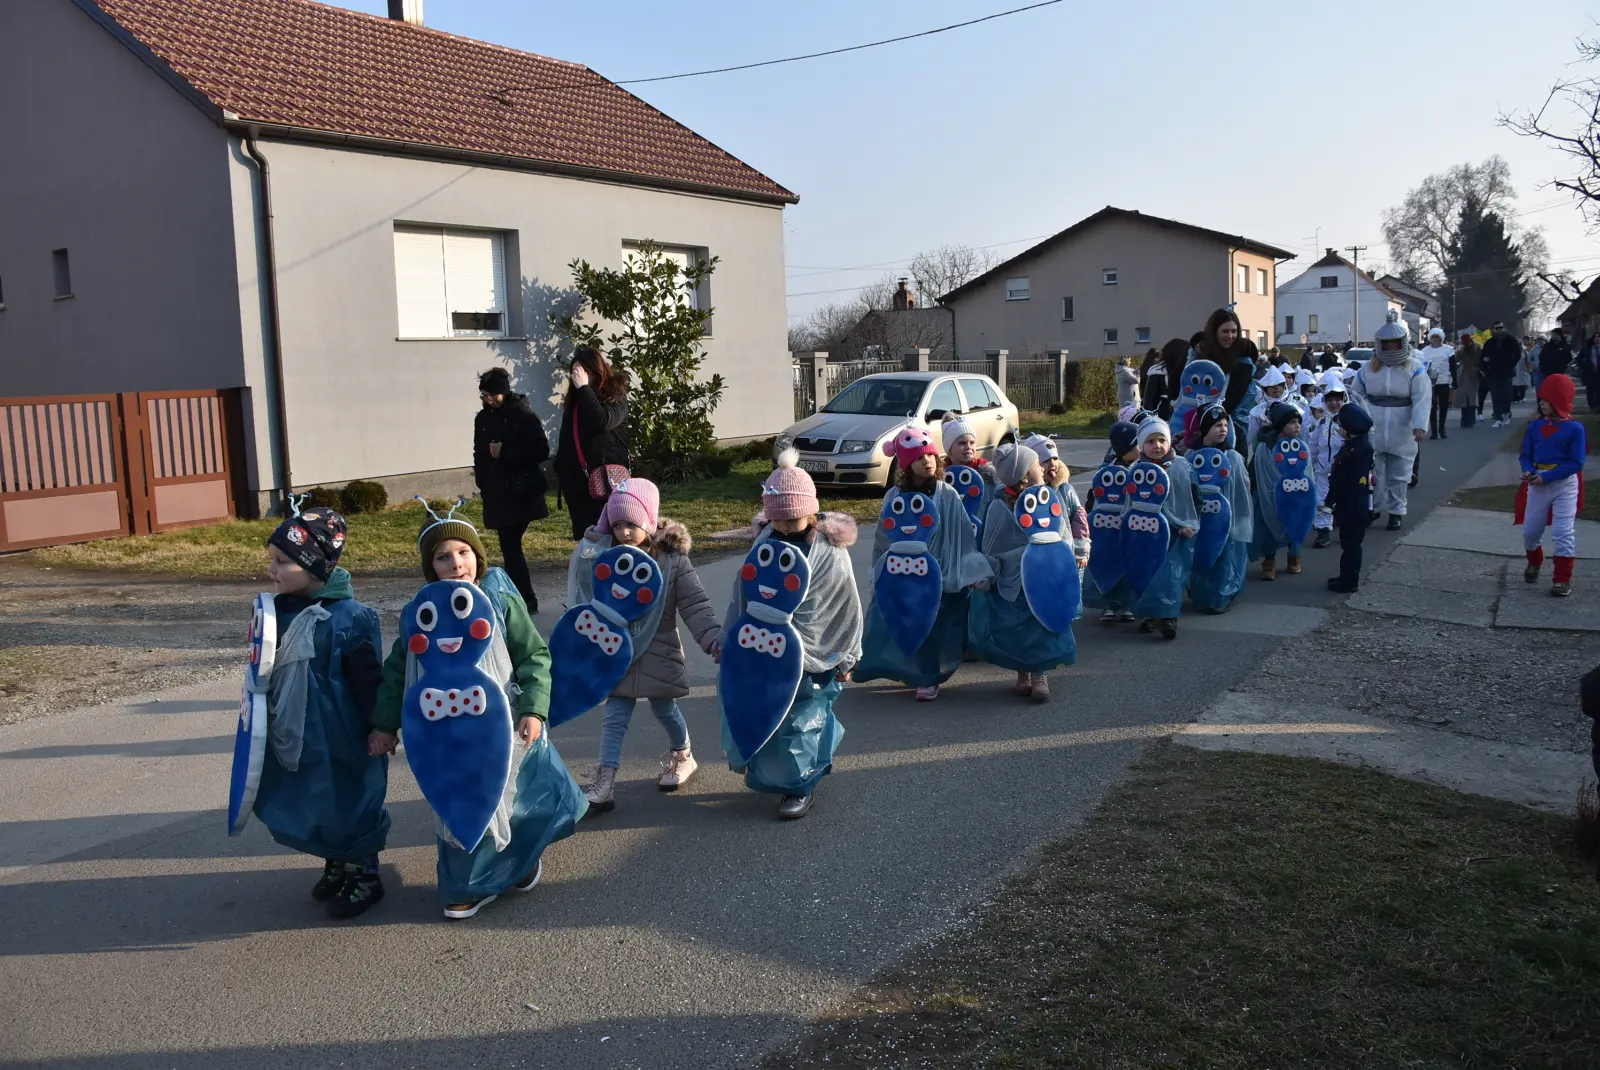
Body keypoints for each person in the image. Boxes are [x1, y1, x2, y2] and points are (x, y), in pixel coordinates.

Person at [371, 507, 585, 919]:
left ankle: (515, 861)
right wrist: (384, 725)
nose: (456, 564)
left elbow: (533, 656)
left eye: (464, 552)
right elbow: (397, 672)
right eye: (443, 556)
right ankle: (464, 885)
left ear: (478, 556)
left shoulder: (499, 598)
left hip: (503, 718)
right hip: (445, 731)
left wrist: (534, 709)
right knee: (463, 799)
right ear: (429, 567)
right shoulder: (421, 613)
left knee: (518, 795)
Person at [254, 504, 389, 919]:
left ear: (314, 566)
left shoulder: (351, 618)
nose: (272, 570)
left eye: (282, 561)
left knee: (352, 797)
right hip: (303, 730)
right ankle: (336, 859)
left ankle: (364, 871)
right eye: (272, 560)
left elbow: (369, 683)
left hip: (344, 731)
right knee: (317, 797)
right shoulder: (281, 612)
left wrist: (380, 728)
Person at [568, 478, 722, 811]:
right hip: (616, 652)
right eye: (617, 523)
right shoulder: (603, 559)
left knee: (663, 707)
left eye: (632, 524)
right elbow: (584, 595)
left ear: (649, 523)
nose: (624, 532)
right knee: (615, 713)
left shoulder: (672, 561)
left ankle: (683, 754)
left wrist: (713, 641)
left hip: (658, 647)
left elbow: (695, 606)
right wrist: (595, 537)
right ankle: (605, 779)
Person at [722, 461, 862, 819]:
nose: (783, 526)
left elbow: (844, 604)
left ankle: (801, 785)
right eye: (777, 519)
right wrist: (731, 638)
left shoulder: (829, 553)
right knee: (770, 715)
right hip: (766, 651)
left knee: (802, 719)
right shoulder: (765, 542)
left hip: (813, 653)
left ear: (810, 514)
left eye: (792, 520)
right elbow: (744, 594)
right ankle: (775, 776)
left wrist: (847, 656)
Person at [856, 424, 992, 701]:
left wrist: (967, 567)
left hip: (938, 573)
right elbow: (883, 537)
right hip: (903, 576)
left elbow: (962, 533)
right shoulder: (893, 497)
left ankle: (929, 677)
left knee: (936, 626)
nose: (927, 461)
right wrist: (878, 568)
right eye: (919, 457)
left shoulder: (946, 494)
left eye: (930, 455)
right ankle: (912, 671)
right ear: (906, 465)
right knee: (907, 620)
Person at [968, 442, 1079, 696]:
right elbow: (992, 544)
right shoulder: (1000, 506)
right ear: (1024, 477)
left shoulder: (1048, 499)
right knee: (1017, 627)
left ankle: (1041, 675)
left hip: (1045, 577)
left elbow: (1062, 533)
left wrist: (1064, 559)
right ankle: (1023, 672)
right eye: (1036, 465)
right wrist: (995, 569)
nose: (1042, 467)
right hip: (1014, 580)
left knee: (1042, 623)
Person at [474, 368, 550, 612]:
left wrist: (505, 452)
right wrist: (482, 481)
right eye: (484, 396)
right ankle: (519, 599)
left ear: (504, 393)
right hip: (496, 492)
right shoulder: (483, 419)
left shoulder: (524, 415)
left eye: (492, 395)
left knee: (510, 546)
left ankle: (524, 601)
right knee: (510, 547)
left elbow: (541, 451)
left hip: (521, 492)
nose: (488, 401)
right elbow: (479, 452)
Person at [1350, 311, 1430, 530]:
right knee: (1372, 472)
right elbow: (1356, 395)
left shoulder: (1414, 367)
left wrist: (1420, 425)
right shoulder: (1368, 368)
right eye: (1386, 343)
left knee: (1399, 474)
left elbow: (1422, 398)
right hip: (1373, 423)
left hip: (1402, 425)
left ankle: (1396, 511)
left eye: (1395, 342)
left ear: (1402, 342)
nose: (1391, 347)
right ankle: (1373, 508)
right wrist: (1356, 423)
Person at [1517, 374, 1587, 597]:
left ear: (1558, 401)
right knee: (1530, 532)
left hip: (1564, 485)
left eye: (1546, 400)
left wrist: (1547, 477)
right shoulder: (1535, 426)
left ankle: (1562, 579)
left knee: (1563, 531)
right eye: (1541, 399)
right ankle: (1535, 561)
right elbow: (1525, 454)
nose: (1541, 403)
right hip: (1537, 484)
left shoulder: (1575, 429)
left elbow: (1576, 462)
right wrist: (1528, 469)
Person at [553, 347, 630, 540]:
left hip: (607, 481)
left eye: (583, 372)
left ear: (596, 371)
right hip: (578, 483)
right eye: (575, 373)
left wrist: (584, 389)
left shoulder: (615, 394)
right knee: (587, 540)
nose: (578, 378)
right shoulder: (576, 401)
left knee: (610, 538)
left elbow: (602, 421)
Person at [1186, 405, 1252, 614]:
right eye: (1217, 425)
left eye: (1225, 425)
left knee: (1223, 554)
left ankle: (1220, 595)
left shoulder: (1231, 456)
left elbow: (1242, 487)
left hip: (1224, 518)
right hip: (1199, 517)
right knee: (1200, 552)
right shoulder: (1191, 455)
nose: (1223, 429)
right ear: (1205, 428)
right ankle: (1200, 594)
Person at [1087, 421, 1141, 624]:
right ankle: (1109, 604)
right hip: (1109, 528)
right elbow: (1094, 497)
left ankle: (1127, 605)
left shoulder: (1140, 469)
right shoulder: (1107, 470)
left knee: (1128, 566)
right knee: (1109, 563)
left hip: (1130, 526)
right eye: (1137, 444)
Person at [1250, 402, 1309, 580]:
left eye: (1298, 422)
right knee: (1267, 525)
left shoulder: (1301, 445)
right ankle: (1269, 561)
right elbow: (1259, 470)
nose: (1297, 426)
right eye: (1291, 422)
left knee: (1295, 525)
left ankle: (1294, 557)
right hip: (1268, 494)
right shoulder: (1265, 446)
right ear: (1280, 424)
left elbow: (1306, 471)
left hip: (1295, 495)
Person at [1324, 405, 1376, 593]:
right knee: (1348, 543)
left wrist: (1333, 498)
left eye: (1341, 425)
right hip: (1351, 505)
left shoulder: (1358, 451)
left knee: (1351, 545)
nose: (1338, 428)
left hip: (1353, 506)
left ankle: (1349, 580)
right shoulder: (1356, 446)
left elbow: (1345, 480)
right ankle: (1346, 575)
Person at [1025, 433, 1091, 570]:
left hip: (1069, 555)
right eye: (1046, 460)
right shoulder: (1028, 496)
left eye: (1055, 459)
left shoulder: (1065, 490)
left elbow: (1079, 520)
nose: (1053, 464)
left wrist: (1081, 549)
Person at [1308, 375, 1348, 550]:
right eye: (1330, 400)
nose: (1333, 404)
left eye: (1337, 400)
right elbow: (1314, 445)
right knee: (1322, 500)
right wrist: (1311, 463)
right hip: (1323, 468)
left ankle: (1347, 531)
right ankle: (1323, 532)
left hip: (1346, 469)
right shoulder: (1322, 421)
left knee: (1346, 501)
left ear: (1343, 399)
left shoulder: (1350, 420)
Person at [1481, 321, 1522, 428]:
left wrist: (1511, 363)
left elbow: (1517, 354)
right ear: (1493, 330)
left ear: (1504, 328)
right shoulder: (1489, 342)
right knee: (1495, 395)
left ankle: (1506, 413)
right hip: (1493, 373)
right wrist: (1486, 367)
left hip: (1507, 372)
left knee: (1506, 394)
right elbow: (1483, 357)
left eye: (1501, 328)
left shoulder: (1511, 340)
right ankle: (1498, 417)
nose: (1499, 330)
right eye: (1497, 328)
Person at [1418, 329, 1455, 440]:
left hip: (1444, 380)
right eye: (1433, 337)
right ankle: (1434, 431)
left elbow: (1453, 366)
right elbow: (1421, 366)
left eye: (1437, 337)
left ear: (1441, 338)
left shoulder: (1448, 350)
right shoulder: (1425, 351)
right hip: (1430, 382)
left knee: (1444, 406)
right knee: (1432, 406)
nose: (1435, 339)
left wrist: (1455, 381)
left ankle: (1442, 429)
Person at [1455, 331, 1483, 428]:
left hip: (1473, 374)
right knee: (1463, 398)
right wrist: (1459, 350)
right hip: (1463, 374)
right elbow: (1456, 359)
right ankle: (1464, 420)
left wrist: (1477, 369)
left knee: (1472, 398)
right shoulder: (1461, 349)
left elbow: (1481, 360)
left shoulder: (1477, 347)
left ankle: (1471, 420)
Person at [1578, 331, 1600, 413]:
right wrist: (1585, 366)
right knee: (1590, 390)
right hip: (1590, 373)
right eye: (1596, 337)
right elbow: (1579, 359)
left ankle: (1598, 406)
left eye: (1599, 337)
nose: (1597, 338)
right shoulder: (1588, 349)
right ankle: (1592, 406)